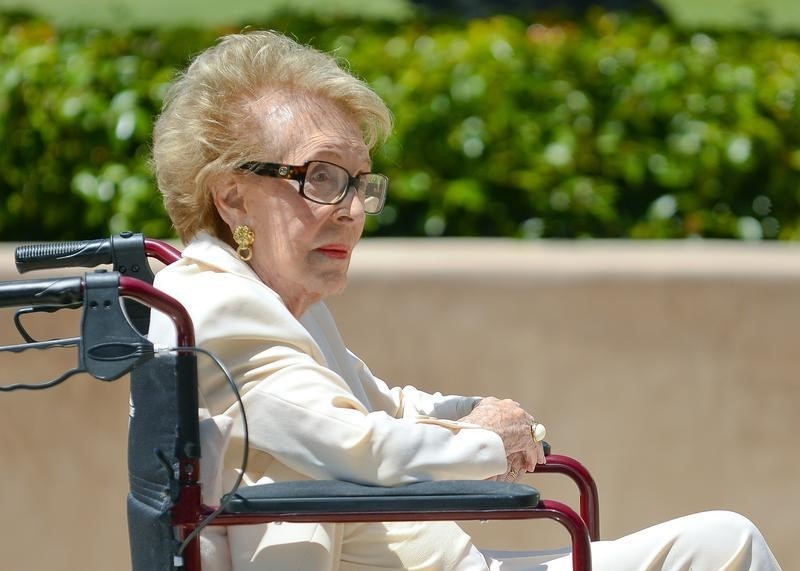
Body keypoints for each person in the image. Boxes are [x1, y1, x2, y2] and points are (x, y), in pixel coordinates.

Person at [147, 30, 782, 570]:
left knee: (722, 540)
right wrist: (489, 446)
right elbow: (359, 445)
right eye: (320, 178)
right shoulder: (219, 309)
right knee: (727, 547)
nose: (352, 211)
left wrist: (476, 412)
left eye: (361, 184)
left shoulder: (275, 302)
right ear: (231, 198)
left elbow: (381, 405)